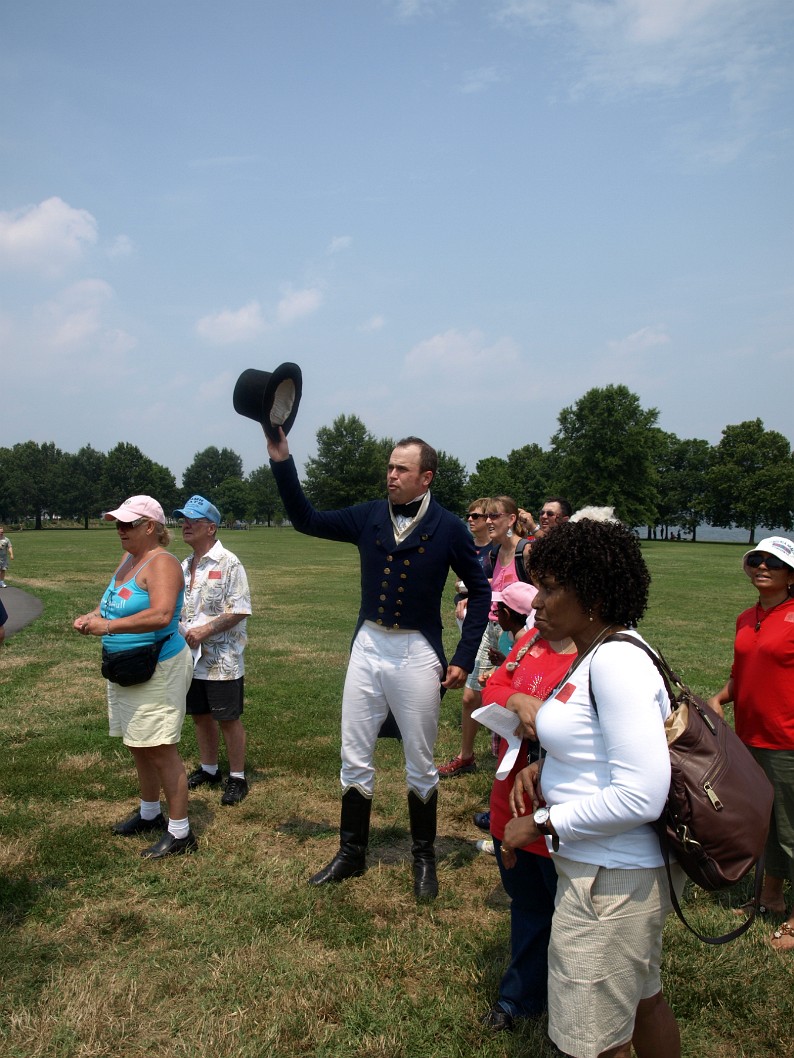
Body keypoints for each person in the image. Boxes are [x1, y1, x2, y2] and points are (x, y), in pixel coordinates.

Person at [266, 429, 491, 900]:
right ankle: (351, 853)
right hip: (368, 647)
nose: (391, 474)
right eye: (389, 467)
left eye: (401, 469)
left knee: (420, 760)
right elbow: (306, 518)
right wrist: (282, 460)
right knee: (354, 752)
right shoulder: (369, 515)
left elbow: (481, 588)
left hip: (417, 653)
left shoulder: (449, 526)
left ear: (425, 477)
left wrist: (464, 658)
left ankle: (424, 858)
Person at [502, 518, 683, 1058]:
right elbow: (599, 747)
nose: (536, 601)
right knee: (642, 1000)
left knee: (593, 1042)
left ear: (596, 595)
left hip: (610, 880)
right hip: (612, 873)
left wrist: (538, 822)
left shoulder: (617, 663)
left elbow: (641, 794)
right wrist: (550, 769)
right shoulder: (597, 652)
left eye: (553, 587)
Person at [72, 496, 195, 859]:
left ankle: (180, 832)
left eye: (127, 524)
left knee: (159, 747)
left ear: (150, 527)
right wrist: (92, 615)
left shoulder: (163, 563)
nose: (120, 530)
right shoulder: (129, 559)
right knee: (137, 742)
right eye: (118, 524)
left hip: (158, 666)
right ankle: (149, 813)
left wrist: (106, 626)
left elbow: (160, 616)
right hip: (128, 667)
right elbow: (111, 601)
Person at [477, 623, 577, 1031]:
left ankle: (571, 1016)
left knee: (571, 923)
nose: (535, 602)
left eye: (550, 587)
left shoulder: (601, 657)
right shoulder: (531, 640)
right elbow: (492, 688)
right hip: (510, 806)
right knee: (528, 907)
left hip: (560, 817)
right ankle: (520, 997)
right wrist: (516, 698)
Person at [708, 536, 794, 951]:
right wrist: (721, 697)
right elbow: (742, 671)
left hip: (788, 740)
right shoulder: (747, 618)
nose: (762, 566)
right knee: (765, 822)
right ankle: (771, 894)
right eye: (756, 559)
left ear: (790, 575)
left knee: (791, 828)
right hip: (750, 736)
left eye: (773, 562)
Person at [438, 495, 530, 777]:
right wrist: (470, 598)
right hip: (489, 628)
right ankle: (466, 757)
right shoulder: (493, 553)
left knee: (513, 697)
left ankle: (517, 759)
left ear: (511, 520)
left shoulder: (525, 552)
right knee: (470, 696)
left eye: (495, 516)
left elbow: (543, 593)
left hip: (518, 632)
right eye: (485, 516)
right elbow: (488, 586)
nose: (488, 521)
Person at [174, 494, 252, 806]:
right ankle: (209, 769)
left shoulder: (229, 562)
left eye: (193, 519)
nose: (185, 524)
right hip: (191, 658)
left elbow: (241, 608)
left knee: (227, 718)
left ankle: (237, 777)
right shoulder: (183, 565)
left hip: (222, 659)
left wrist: (207, 629)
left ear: (212, 527)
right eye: (183, 519)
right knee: (200, 716)